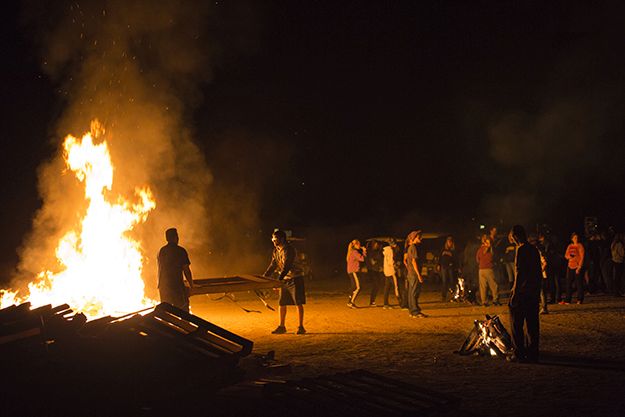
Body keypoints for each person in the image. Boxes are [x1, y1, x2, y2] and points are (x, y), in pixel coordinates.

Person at [508, 225, 542, 363]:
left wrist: (515, 292)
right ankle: (533, 353)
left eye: (511, 237)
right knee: (532, 324)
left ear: (516, 236)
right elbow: (538, 272)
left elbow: (519, 273)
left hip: (523, 292)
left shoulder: (521, 250)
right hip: (533, 292)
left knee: (516, 323)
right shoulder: (534, 249)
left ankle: (519, 353)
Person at [264, 230, 307, 334]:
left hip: (295, 278)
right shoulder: (276, 251)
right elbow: (273, 265)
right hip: (285, 279)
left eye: (276, 239)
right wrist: (265, 277)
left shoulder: (289, 250)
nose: (274, 241)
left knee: (298, 302)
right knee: (282, 303)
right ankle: (281, 326)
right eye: (273, 239)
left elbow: (286, 266)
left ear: (282, 239)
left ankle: (301, 327)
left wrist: (278, 280)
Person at [157, 228, 193, 312]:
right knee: (183, 310)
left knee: (166, 311)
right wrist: (191, 284)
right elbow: (186, 270)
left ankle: (165, 325)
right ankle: (184, 324)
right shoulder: (180, 251)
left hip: (163, 287)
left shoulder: (162, 251)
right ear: (175, 237)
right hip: (176, 286)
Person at [405, 230, 427, 318]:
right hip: (414, 274)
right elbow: (414, 261)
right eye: (418, 237)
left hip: (411, 273)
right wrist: (419, 275)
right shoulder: (413, 247)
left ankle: (412, 310)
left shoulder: (410, 247)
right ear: (414, 238)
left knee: (411, 292)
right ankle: (415, 312)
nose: (420, 238)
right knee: (414, 292)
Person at [476, 235, 500, 306]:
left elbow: (477, 259)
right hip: (488, 269)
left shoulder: (480, 249)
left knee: (483, 287)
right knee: (493, 285)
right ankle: (495, 299)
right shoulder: (491, 250)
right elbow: (493, 258)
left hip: (481, 270)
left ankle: (484, 301)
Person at [561, 232, 585, 304]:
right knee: (568, 283)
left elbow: (582, 257)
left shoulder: (580, 246)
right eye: (574, 238)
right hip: (570, 266)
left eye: (577, 238)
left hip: (577, 266)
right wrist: (569, 256)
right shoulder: (570, 246)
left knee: (578, 284)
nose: (576, 239)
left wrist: (579, 267)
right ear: (572, 239)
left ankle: (580, 299)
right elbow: (566, 255)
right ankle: (568, 299)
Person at [346, 239, 366, 308]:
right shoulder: (354, 252)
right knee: (358, 287)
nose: (360, 246)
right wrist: (364, 251)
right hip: (353, 271)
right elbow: (362, 259)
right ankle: (351, 302)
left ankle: (350, 301)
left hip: (351, 271)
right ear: (355, 245)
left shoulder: (351, 252)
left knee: (353, 287)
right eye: (359, 244)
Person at [438, 236, 458, 302]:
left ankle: (453, 295)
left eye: (451, 242)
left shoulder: (453, 250)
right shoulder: (443, 249)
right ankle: (444, 296)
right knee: (444, 282)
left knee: (452, 281)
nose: (449, 243)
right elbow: (440, 257)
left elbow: (455, 259)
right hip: (444, 266)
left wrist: (455, 265)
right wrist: (439, 264)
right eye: (448, 242)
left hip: (450, 267)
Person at [382, 240, 401, 309]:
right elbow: (391, 262)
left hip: (386, 271)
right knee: (396, 287)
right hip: (391, 271)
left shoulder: (386, 250)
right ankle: (401, 303)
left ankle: (385, 304)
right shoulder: (390, 251)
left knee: (387, 288)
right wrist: (396, 265)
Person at [365, 240, 384, 306]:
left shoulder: (377, 252)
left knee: (377, 285)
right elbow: (372, 262)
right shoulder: (370, 252)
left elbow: (379, 260)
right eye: (375, 244)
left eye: (377, 245)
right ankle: (372, 301)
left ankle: (372, 301)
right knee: (376, 285)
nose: (377, 246)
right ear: (373, 245)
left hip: (376, 270)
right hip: (372, 270)